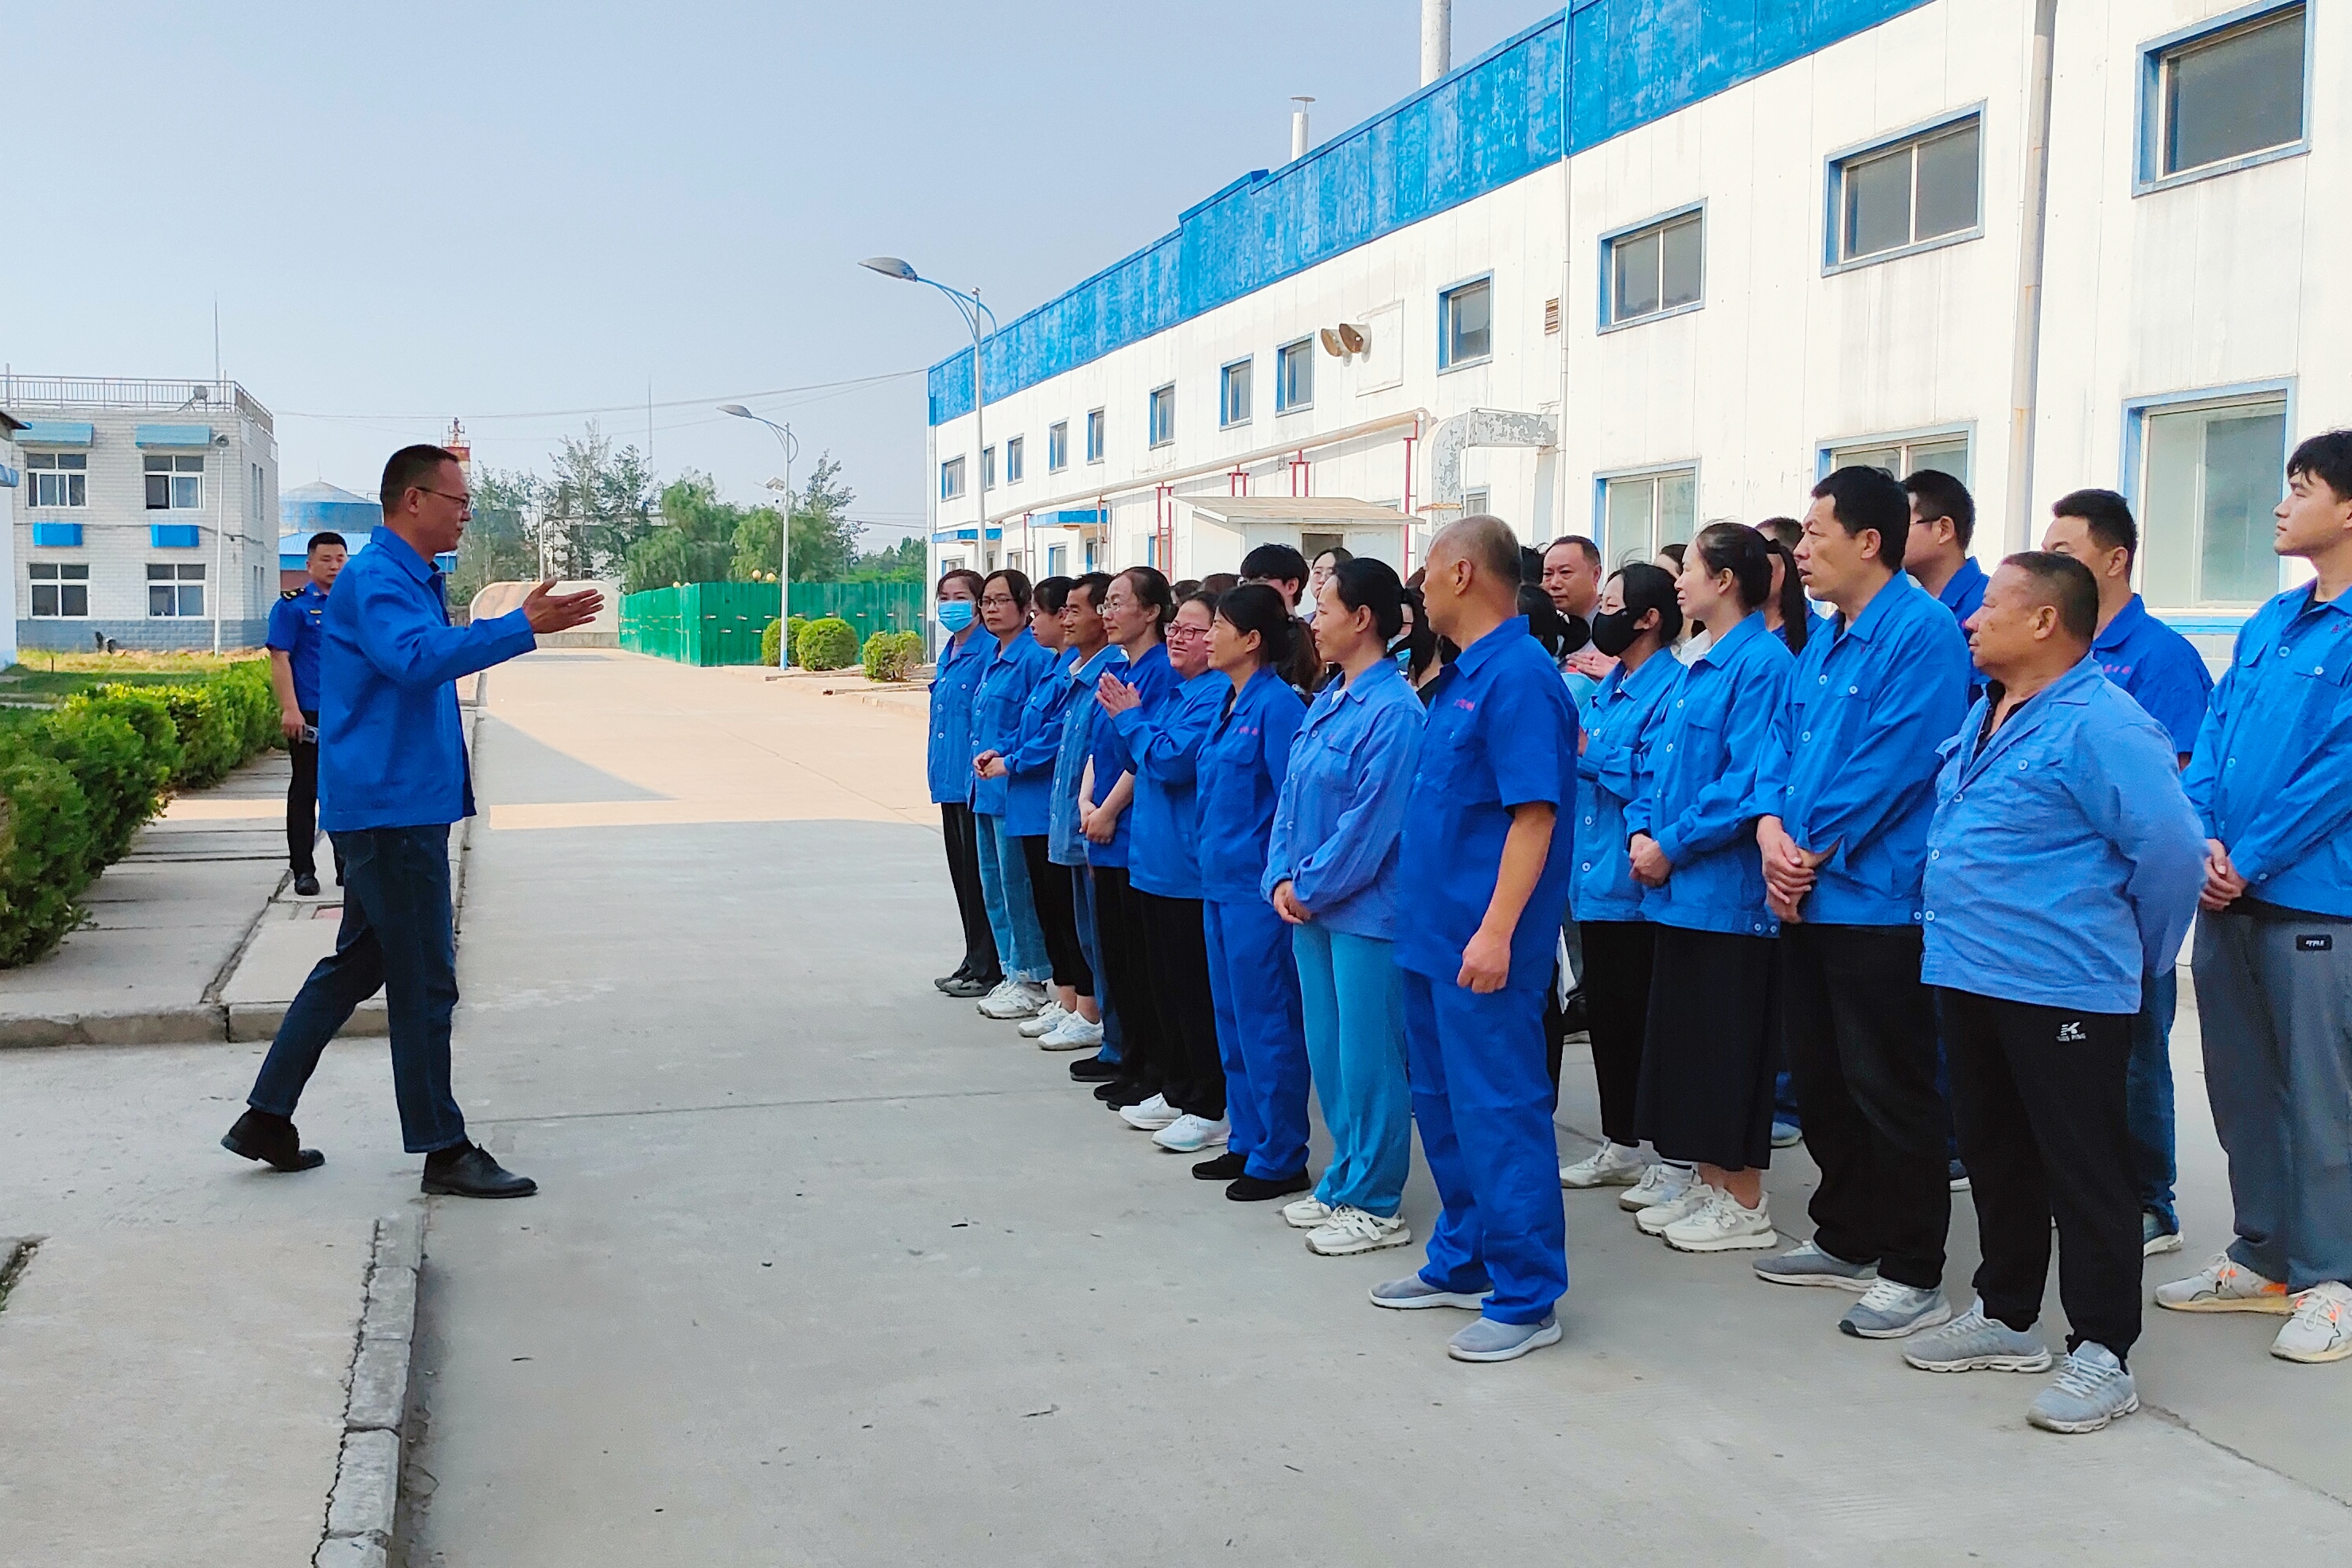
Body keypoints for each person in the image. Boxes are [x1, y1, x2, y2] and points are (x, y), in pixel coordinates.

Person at [221, 445, 602, 1195]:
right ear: (414, 500)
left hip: (394, 803)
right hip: (390, 811)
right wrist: (519, 626)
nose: (466, 515)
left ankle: (265, 1115)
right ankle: (442, 1148)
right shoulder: (379, 579)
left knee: (358, 965)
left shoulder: (408, 577)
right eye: (458, 501)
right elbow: (418, 659)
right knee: (425, 978)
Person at [1900, 552, 2204, 1434]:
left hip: (2063, 984)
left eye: (1991, 605)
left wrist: (2139, 961)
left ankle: (2103, 1350)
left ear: (2043, 621)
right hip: (1969, 970)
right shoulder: (1989, 708)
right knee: (1996, 1152)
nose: (1971, 618)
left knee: (2087, 1170)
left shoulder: (2104, 723)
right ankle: (2005, 1312)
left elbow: (2172, 852)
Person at [1749, 467, 1972, 1336]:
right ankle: (1846, 1233)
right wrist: (1771, 831)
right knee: (1822, 1077)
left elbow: (1898, 757)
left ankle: (1915, 1271)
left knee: (1890, 1084)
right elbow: (1782, 743)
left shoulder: (1920, 632)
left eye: (1814, 534)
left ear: (1869, 542)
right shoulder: (1827, 638)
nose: (1799, 552)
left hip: (1875, 900)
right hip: (1804, 890)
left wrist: (1805, 849)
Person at [1367, 515, 1577, 1364]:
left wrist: (1496, 933)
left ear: (1461, 574)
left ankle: (1527, 1296)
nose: (1416, 587)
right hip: (1431, 937)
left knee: (1498, 1110)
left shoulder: (1518, 678)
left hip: (1480, 944)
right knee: (1443, 1105)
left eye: (1425, 571)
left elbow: (1534, 817)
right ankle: (1465, 1256)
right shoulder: (1461, 676)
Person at [2165, 430, 2352, 1367]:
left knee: (2320, 1099)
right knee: (2240, 1086)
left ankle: (2333, 1281)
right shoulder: (2271, 619)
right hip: (2227, 889)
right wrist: (2199, 835)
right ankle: (2262, 1255)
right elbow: (2214, 736)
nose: (2280, 504)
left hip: (2312, 901)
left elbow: (2339, 769)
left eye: (2301, 487)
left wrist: (2251, 856)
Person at [2040, 488, 2215, 1256]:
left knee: (2139, 1051)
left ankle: (2151, 1200)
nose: (2051, 560)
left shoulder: (2160, 657)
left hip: (2126, 897)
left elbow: (2172, 795)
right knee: (2079, 1060)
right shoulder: (2059, 652)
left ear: (2115, 559)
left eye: (2066, 550)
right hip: (2063, 904)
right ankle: (2092, 1189)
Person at [1622, 523, 1795, 1252]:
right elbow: (1656, 764)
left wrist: (1671, 844)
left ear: (1725, 580)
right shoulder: (1698, 663)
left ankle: (1743, 1199)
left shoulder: (1762, 664)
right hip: (1679, 894)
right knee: (1691, 1049)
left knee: (1730, 1049)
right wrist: (1641, 830)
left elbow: (1744, 783)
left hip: (1725, 896)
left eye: (1689, 567)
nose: (1679, 580)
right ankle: (1710, 1178)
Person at [1267, 558, 1423, 1254]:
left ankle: (1377, 1200)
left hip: (1366, 912)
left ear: (1362, 619)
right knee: (1329, 1054)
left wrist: (1308, 886)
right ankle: (1345, 1176)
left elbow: (1370, 826)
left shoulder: (1395, 712)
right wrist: (1281, 876)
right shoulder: (1330, 698)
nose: (1313, 621)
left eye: (1324, 608)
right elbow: (1292, 801)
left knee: (1370, 1060)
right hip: (1312, 908)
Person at [1556, 564, 1686, 1197]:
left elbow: (1657, 776)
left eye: (1612, 605)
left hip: (1636, 883)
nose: (1601, 616)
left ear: (1648, 618)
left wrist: (1588, 751)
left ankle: (1670, 1153)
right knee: (1608, 1019)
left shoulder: (1672, 689)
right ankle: (1621, 1141)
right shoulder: (1609, 687)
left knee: (1645, 1022)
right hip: (1593, 878)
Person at [1188, 585, 1311, 1200]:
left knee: (1268, 1023)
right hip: (1219, 883)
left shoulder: (1277, 706)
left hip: (1256, 893)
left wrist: (1285, 875)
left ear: (1253, 638)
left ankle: (1281, 1153)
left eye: (1218, 625)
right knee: (1232, 1018)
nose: (1208, 636)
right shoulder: (1228, 701)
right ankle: (1248, 1136)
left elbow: (1294, 802)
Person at [1097, 586, 1230, 1150]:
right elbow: (1141, 755)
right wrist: (1134, 724)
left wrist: (1132, 720)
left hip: (1185, 869)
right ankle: (1177, 1088)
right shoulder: (1181, 692)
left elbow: (1172, 761)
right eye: (1176, 627)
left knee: (1192, 992)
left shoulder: (1215, 694)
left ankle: (1207, 1101)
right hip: (1154, 863)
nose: (1177, 637)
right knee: (1164, 989)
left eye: (1193, 630)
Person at [980, 577, 1104, 1052]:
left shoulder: (1092, 670)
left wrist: (1013, 760)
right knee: (1051, 910)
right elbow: (1032, 727)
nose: (1049, 621)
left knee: (1069, 916)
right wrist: (1004, 752)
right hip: (1037, 807)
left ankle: (1084, 1006)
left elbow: (1055, 737)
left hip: (1052, 805)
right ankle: (1069, 1000)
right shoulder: (1061, 667)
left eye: (1064, 611)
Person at [1080, 569, 1180, 1113]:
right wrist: (1086, 803)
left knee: (1141, 964)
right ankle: (1127, 1056)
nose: (1108, 613)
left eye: (1119, 603)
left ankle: (1150, 1068)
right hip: (1100, 826)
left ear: (1152, 611)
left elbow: (1146, 754)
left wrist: (1109, 810)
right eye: (1107, 603)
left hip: (1128, 830)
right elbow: (1100, 749)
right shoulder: (1119, 669)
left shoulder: (1161, 672)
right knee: (1115, 956)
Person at [964, 570, 1058, 1021]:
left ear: (1025, 608)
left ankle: (1031, 975)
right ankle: (1009, 969)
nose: (991, 608)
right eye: (986, 601)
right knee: (994, 886)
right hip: (986, 789)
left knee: (1018, 887)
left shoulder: (1034, 658)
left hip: (1016, 791)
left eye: (1002, 600)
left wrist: (1007, 758)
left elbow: (1035, 728)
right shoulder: (993, 655)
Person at [1048, 574, 1128, 1080]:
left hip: (1104, 828)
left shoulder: (1114, 676)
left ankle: (1111, 1034)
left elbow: (1129, 757)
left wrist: (1099, 809)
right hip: (1079, 818)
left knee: (1108, 943)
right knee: (1085, 932)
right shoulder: (1076, 675)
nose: (1066, 619)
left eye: (1076, 609)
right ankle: (1107, 1034)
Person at [927, 569, 1001, 999]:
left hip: (977, 782)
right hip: (949, 780)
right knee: (963, 878)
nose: (950, 605)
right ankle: (974, 958)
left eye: (960, 597)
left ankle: (990, 966)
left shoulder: (990, 650)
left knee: (981, 879)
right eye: (944, 597)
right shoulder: (950, 650)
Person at [267, 531, 350, 896]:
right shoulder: (293, 606)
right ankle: (303, 869)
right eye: (326, 559)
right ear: (309, 564)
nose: (334, 566)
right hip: (310, 712)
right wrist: (290, 708)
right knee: (306, 789)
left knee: (347, 789)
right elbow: (280, 658)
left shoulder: (354, 603)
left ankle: (348, 867)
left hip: (349, 712)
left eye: (340, 559)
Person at [1304, 545, 1352, 623]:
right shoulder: (1304, 623)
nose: (1322, 580)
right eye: (1318, 572)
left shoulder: (1349, 623)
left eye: (1331, 573)